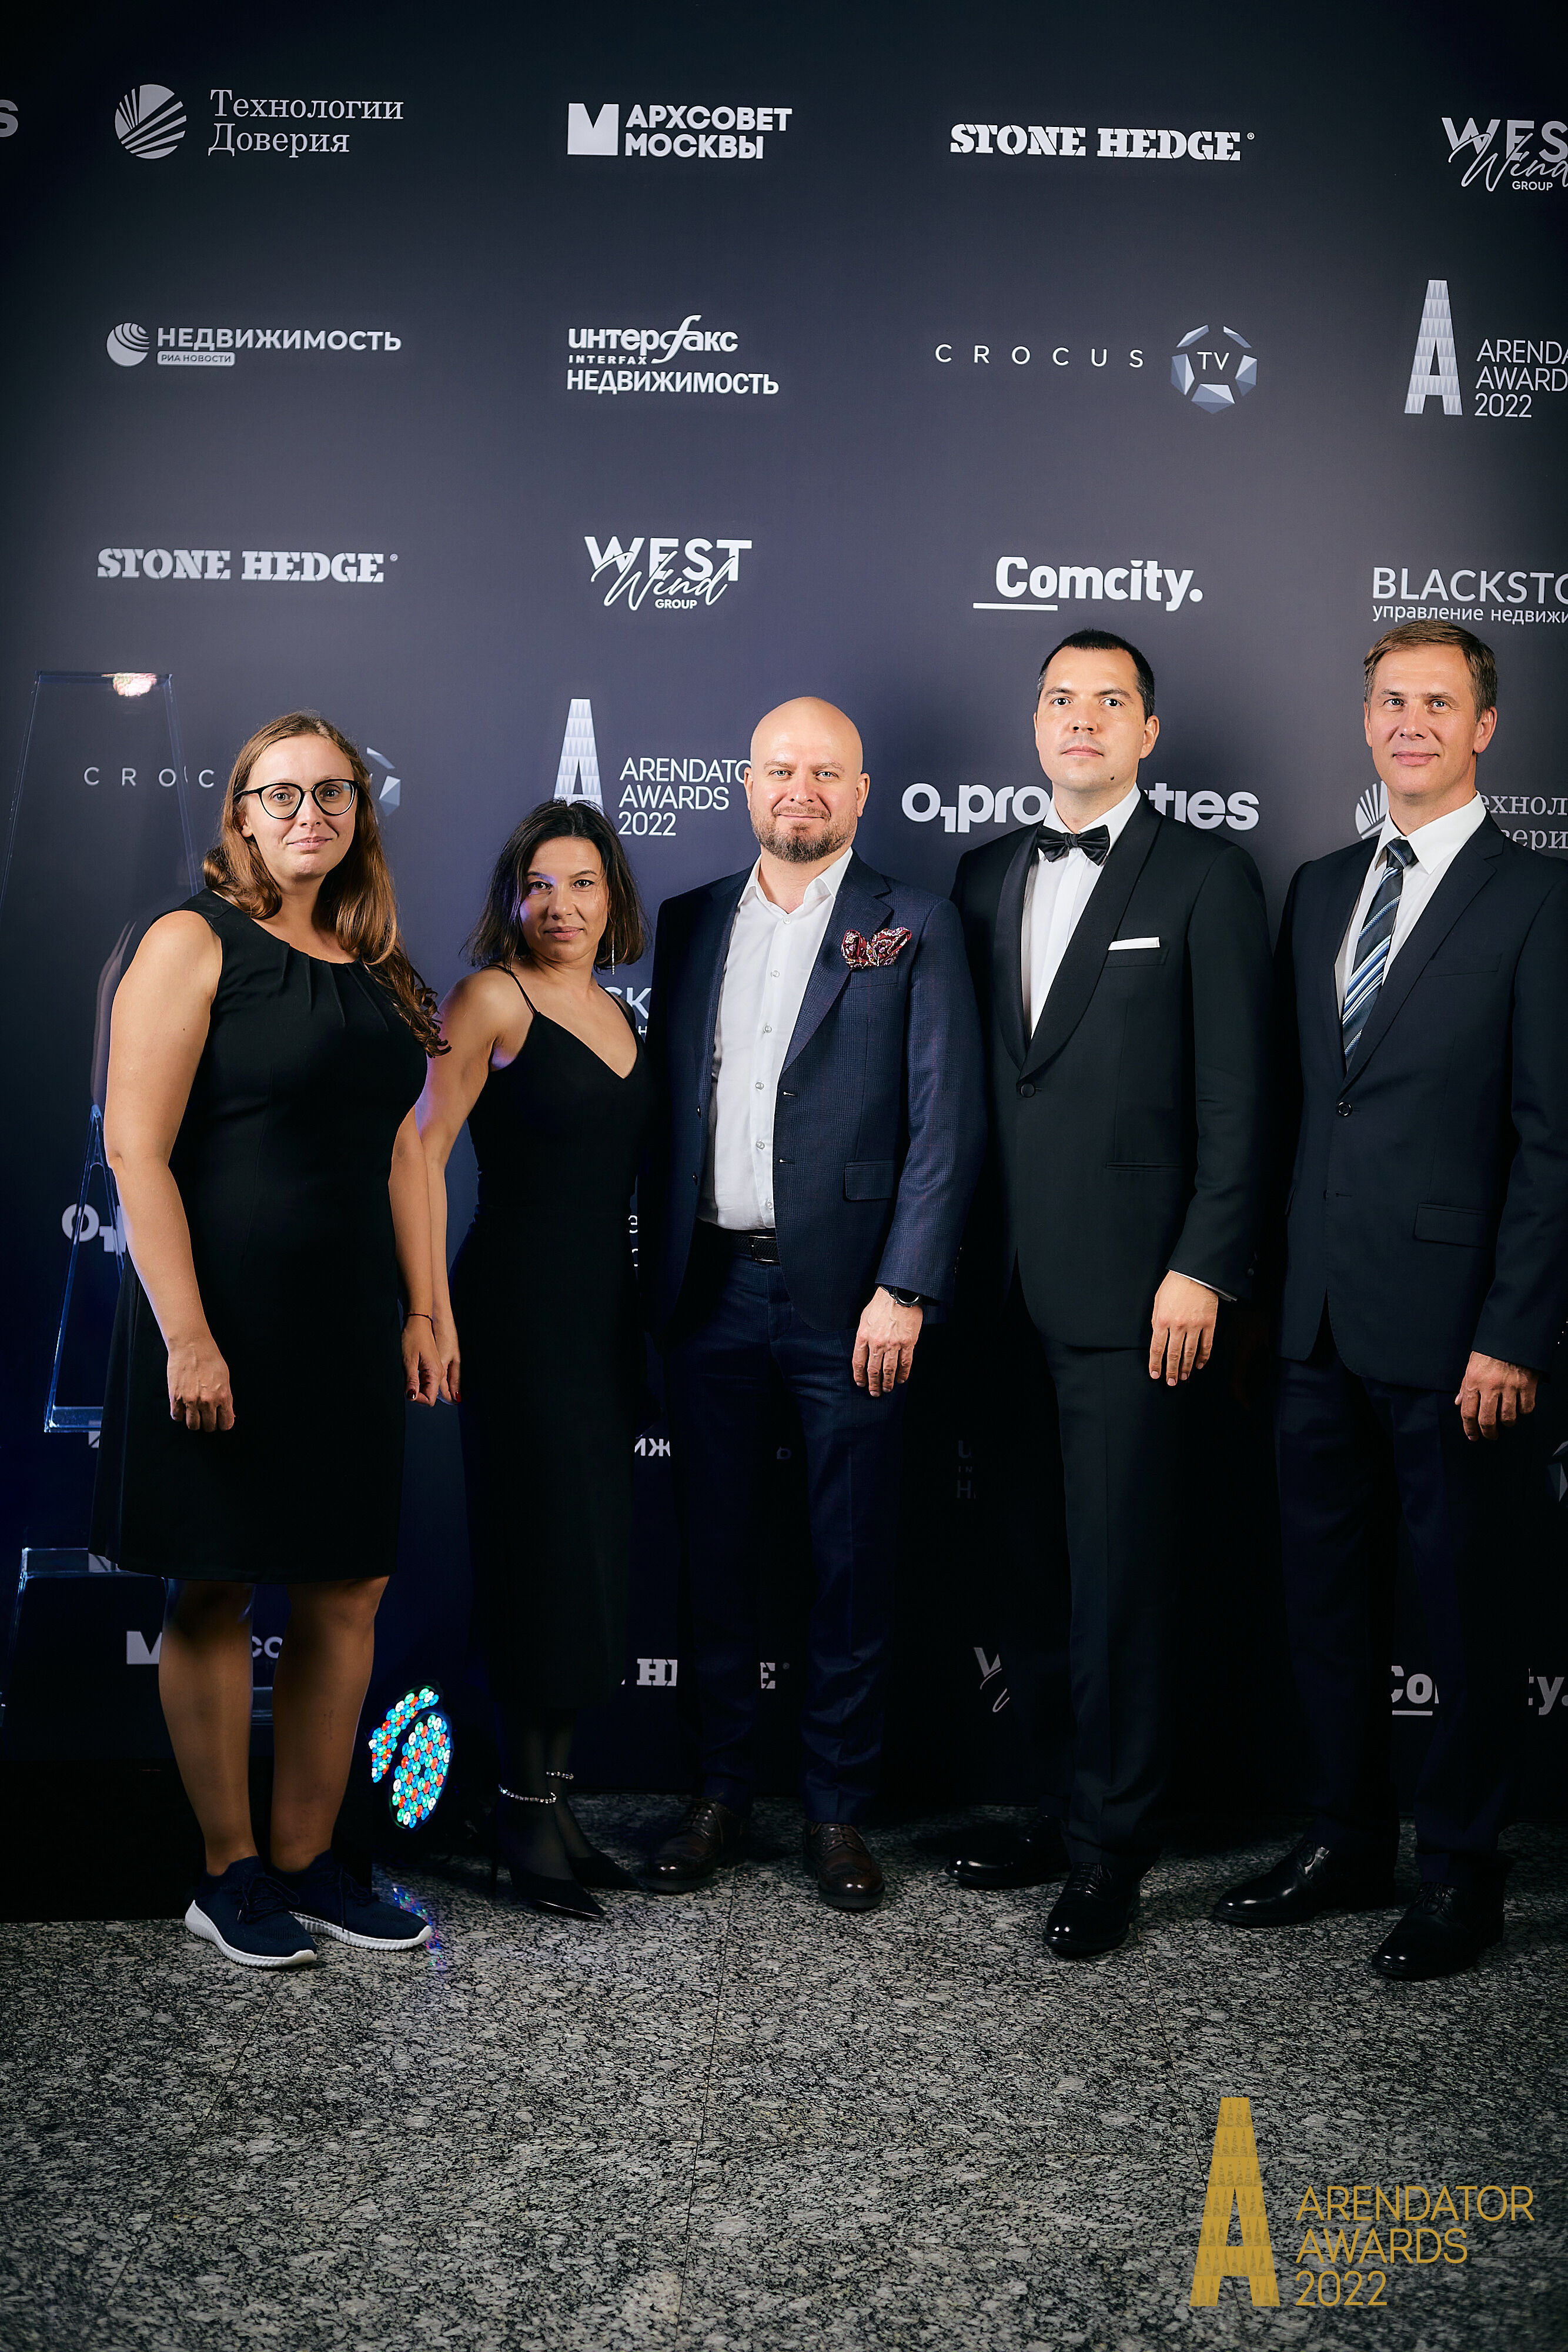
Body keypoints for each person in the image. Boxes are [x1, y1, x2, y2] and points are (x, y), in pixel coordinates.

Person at [1214, 620, 1568, 1979]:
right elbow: (1296, 1111)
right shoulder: (1317, 888)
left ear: (1483, 727)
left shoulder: (1536, 898)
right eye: (1388, 700)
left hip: (1458, 1331)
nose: (1408, 721)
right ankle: (1341, 1836)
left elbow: (1551, 1143)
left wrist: (1512, 1330)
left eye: (1436, 700)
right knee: (1323, 1601)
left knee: (1464, 1615)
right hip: (1311, 1321)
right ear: (1364, 722)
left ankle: (1460, 1871)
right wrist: (1261, 1297)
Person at [92, 712, 444, 1967]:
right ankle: (226, 1872)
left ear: (359, 810)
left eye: (332, 791)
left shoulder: (379, 963)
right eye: (281, 793)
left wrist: (426, 1307)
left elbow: (404, 1151)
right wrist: (187, 1337)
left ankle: (306, 1860)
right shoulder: (191, 940)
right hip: (220, 1316)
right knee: (218, 1582)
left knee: (347, 1585)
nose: (309, 813)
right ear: (240, 812)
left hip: (346, 1323)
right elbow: (134, 1149)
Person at [949, 631, 1271, 1957]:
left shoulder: (1204, 874)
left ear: (1148, 732)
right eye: (1059, 699)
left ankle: (1111, 1846)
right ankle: (1050, 1802)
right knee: (1026, 1572)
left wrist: (1201, 1263)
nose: (1080, 718)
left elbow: (1239, 1098)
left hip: (1139, 1294)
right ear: (1035, 724)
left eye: (1108, 701)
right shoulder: (980, 876)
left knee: (1121, 1578)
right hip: (996, 1291)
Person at [639, 697, 984, 1910]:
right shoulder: (687, 922)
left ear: (860, 791)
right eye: (780, 770)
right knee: (713, 1554)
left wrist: (907, 1285)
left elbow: (946, 1121)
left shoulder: (915, 921)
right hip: (708, 1289)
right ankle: (718, 1791)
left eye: (825, 772)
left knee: (850, 1559)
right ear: (746, 784)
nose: (801, 790)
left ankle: (837, 1808)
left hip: (854, 1302)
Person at [419, 801, 653, 1922]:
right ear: (512, 896)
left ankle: (550, 1803)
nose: (562, 905)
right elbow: (418, 1151)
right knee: (537, 1554)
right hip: (514, 1310)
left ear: (614, 900)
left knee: (585, 1561)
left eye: (584, 884)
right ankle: (517, 1811)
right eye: (541, 884)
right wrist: (430, 1309)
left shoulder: (614, 1009)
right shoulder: (491, 999)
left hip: (602, 1317)